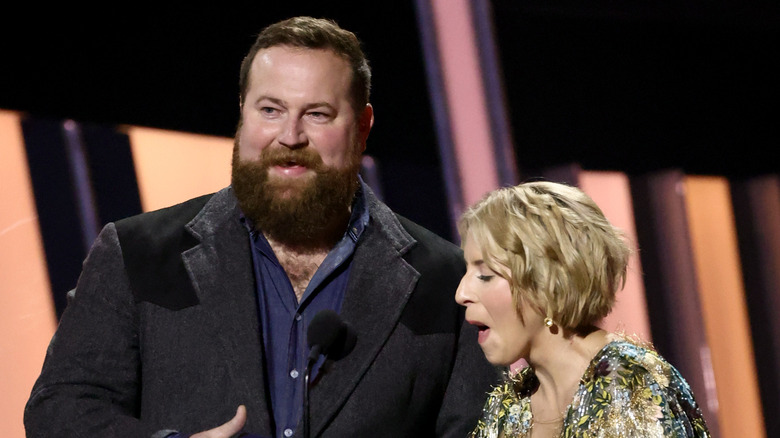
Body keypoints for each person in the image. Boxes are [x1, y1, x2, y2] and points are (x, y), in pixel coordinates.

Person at [24, 16, 498, 438]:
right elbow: (60, 410)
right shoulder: (137, 254)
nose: (289, 137)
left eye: (317, 114)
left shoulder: (445, 281)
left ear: (363, 125)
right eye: (270, 110)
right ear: (242, 113)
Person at [455, 181, 711, 437]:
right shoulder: (506, 408)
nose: (461, 294)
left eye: (485, 274)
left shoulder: (630, 384)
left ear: (547, 282)